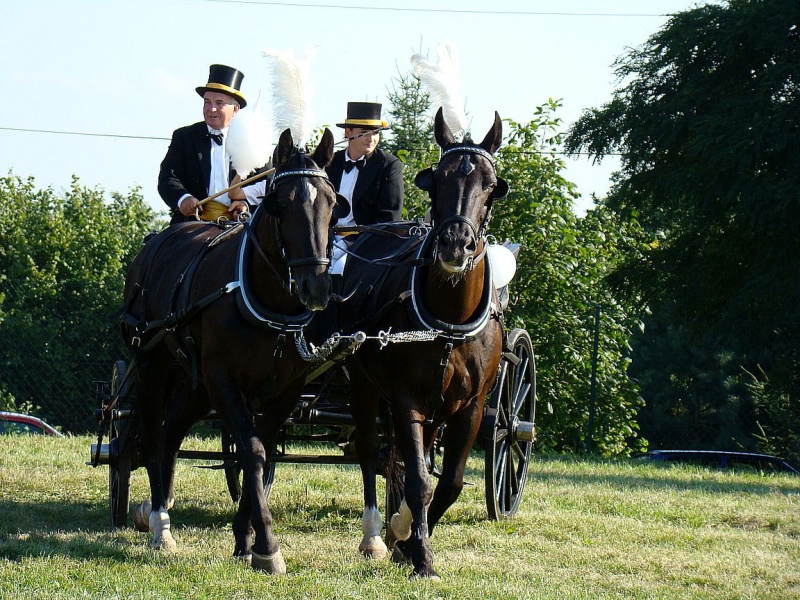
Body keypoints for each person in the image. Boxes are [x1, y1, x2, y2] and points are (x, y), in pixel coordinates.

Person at [158, 64, 250, 224]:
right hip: (191, 224)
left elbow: (267, 184)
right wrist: (183, 199)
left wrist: (245, 204)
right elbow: (167, 178)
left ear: (235, 109)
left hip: (239, 228)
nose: (211, 108)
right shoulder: (184, 137)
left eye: (219, 103)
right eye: (207, 102)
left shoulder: (250, 143)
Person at [326, 102, 404, 273]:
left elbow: (388, 218)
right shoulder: (330, 163)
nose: (371, 139)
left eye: (375, 133)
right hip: (325, 239)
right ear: (348, 133)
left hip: (364, 244)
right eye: (364, 133)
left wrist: (350, 242)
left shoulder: (389, 165)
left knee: (339, 270)